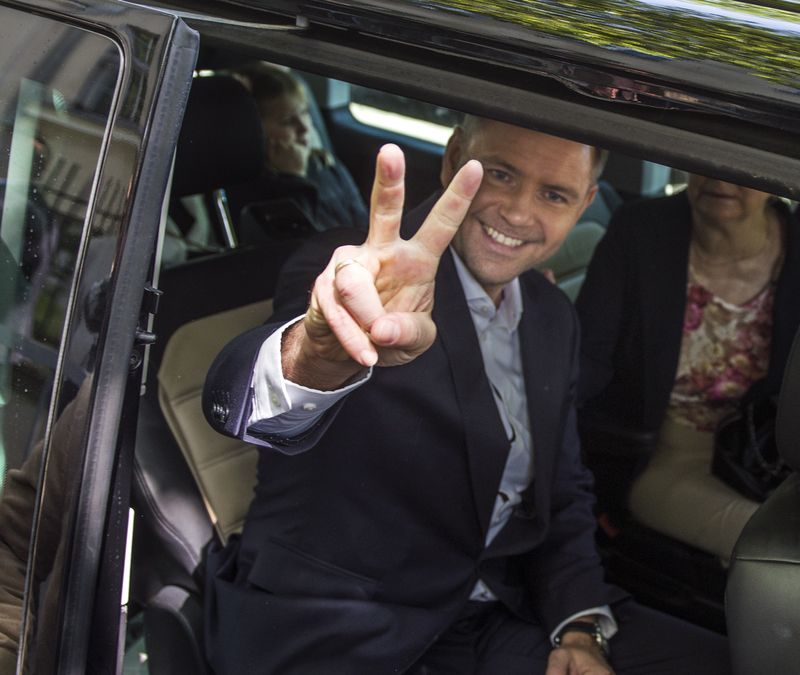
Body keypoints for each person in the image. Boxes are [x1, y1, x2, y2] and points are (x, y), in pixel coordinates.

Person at [202, 116, 730, 674]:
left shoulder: (551, 317)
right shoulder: (355, 275)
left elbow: (563, 492)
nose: (520, 213)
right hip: (339, 629)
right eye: (500, 175)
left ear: (583, 205)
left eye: (554, 194)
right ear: (453, 160)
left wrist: (580, 626)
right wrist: (320, 352)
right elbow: (247, 402)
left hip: (491, 610)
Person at [575, 176, 800, 561]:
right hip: (659, 457)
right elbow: (587, 359)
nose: (720, 177)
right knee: (788, 552)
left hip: (763, 461)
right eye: (709, 159)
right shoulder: (640, 231)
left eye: (742, 164)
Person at [230, 62, 369, 232]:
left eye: (304, 112)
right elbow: (300, 243)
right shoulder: (255, 192)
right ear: (255, 131)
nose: (305, 128)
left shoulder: (325, 164)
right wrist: (293, 178)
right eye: (287, 121)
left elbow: (363, 223)